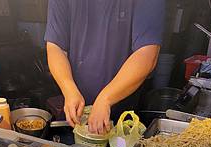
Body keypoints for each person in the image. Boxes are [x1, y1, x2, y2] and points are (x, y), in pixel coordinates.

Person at [45, 0, 165, 135]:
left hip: (122, 117)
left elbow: (147, 53)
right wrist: (69, 89)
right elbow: (56, 47)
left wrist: (105, 99)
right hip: (74, 113)